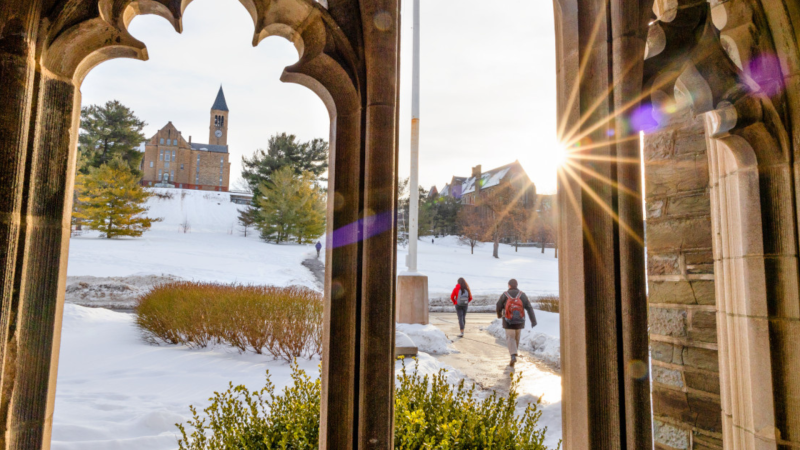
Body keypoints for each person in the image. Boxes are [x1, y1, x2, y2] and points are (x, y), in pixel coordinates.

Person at [496, 278, 536, 367]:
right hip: (520, 321)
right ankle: (514, 354)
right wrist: (533, 320)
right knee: (516, 338)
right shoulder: (522, 295)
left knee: (510, 338)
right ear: (516, 285)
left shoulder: (505, 295)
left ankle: (513, 355)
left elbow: (498, 305)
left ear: (509, 285)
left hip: (508, 321)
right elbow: (529, 307)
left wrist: (499, 315)